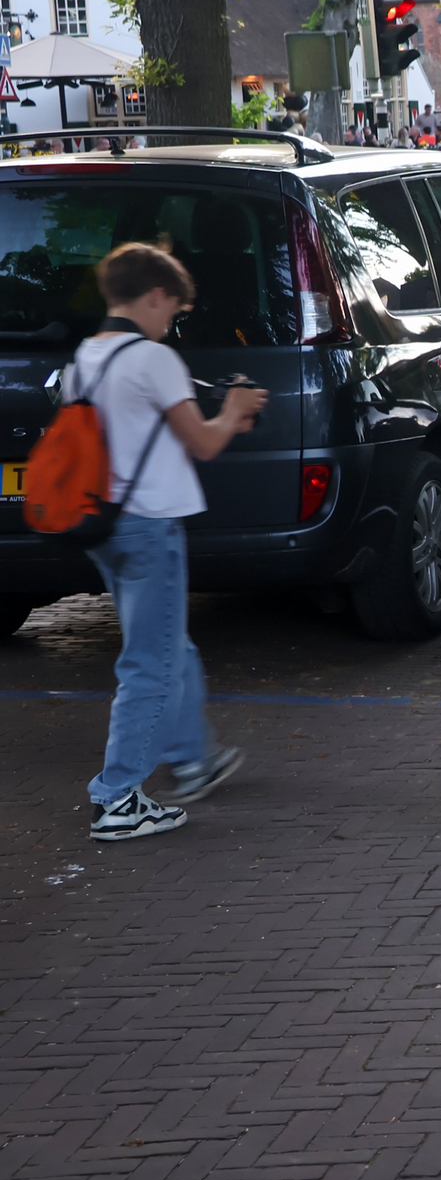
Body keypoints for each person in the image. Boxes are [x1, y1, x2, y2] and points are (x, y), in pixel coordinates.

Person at [78, 243, 269, 842]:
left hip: (104, 524)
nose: (172, 322)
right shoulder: (153, 359)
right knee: (150, 663)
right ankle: (117, 796)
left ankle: (192, 758)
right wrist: (234, 408)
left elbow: (134, 436)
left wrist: (226, 416)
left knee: (165, 644)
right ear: (155, 295)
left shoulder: (88, 355)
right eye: (174, 311)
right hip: (151, 524)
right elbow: (203, 444)